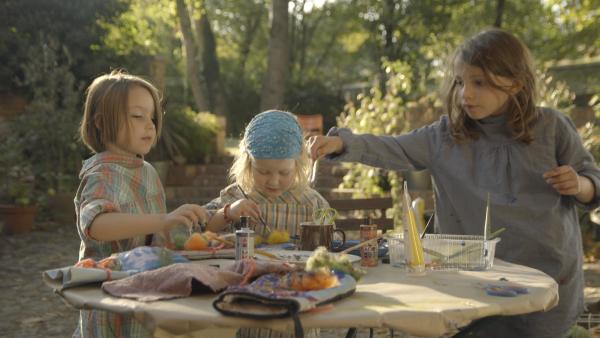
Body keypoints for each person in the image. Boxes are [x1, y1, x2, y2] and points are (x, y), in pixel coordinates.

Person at [308, 28, 600, 338]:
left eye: (479, 83)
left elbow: (593, 181)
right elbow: (394, 147)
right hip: (471, 282)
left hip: (549, 276)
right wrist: (341, 144)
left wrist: (579, 184)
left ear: (514, 82)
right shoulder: (445, 136)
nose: (466, 94)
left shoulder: (553, 127)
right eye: (460, 82)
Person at [75, 70, 208, 337]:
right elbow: (96, 224)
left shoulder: (146, 170)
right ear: (101, 122)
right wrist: (164, 219)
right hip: (111, 298)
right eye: (138, 116)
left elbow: (158, 231)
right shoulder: (102, 172)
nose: (150, 125)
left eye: (152, 117)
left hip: (146, 291)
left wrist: (212, 218)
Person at [205, 110, 330, 338]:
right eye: (263, 172)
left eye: (284, 172)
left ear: (299, 163)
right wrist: (227, 213)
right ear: (248, 164)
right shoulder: (236, 197)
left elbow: (328, 252)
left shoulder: (313, 204)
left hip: (299, 310)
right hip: (248, 310)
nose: (273, 181)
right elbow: (199, 229)